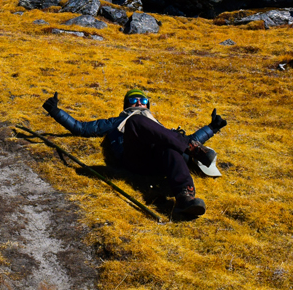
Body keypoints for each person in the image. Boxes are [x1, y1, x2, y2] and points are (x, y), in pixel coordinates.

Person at [42, 88, 227, 219]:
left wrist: (211, 128)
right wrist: (55, 111)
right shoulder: (118, 121)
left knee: (171, 142)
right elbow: (81, 128)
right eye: (133, 100)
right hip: (135, 158)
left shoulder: (158, 125)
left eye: (143, 101)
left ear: (148, 105)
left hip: (161, 161)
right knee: (137, 121)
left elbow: (182, 142)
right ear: (126, 105)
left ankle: (185, 198)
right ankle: (193, 152)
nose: (139, 102)